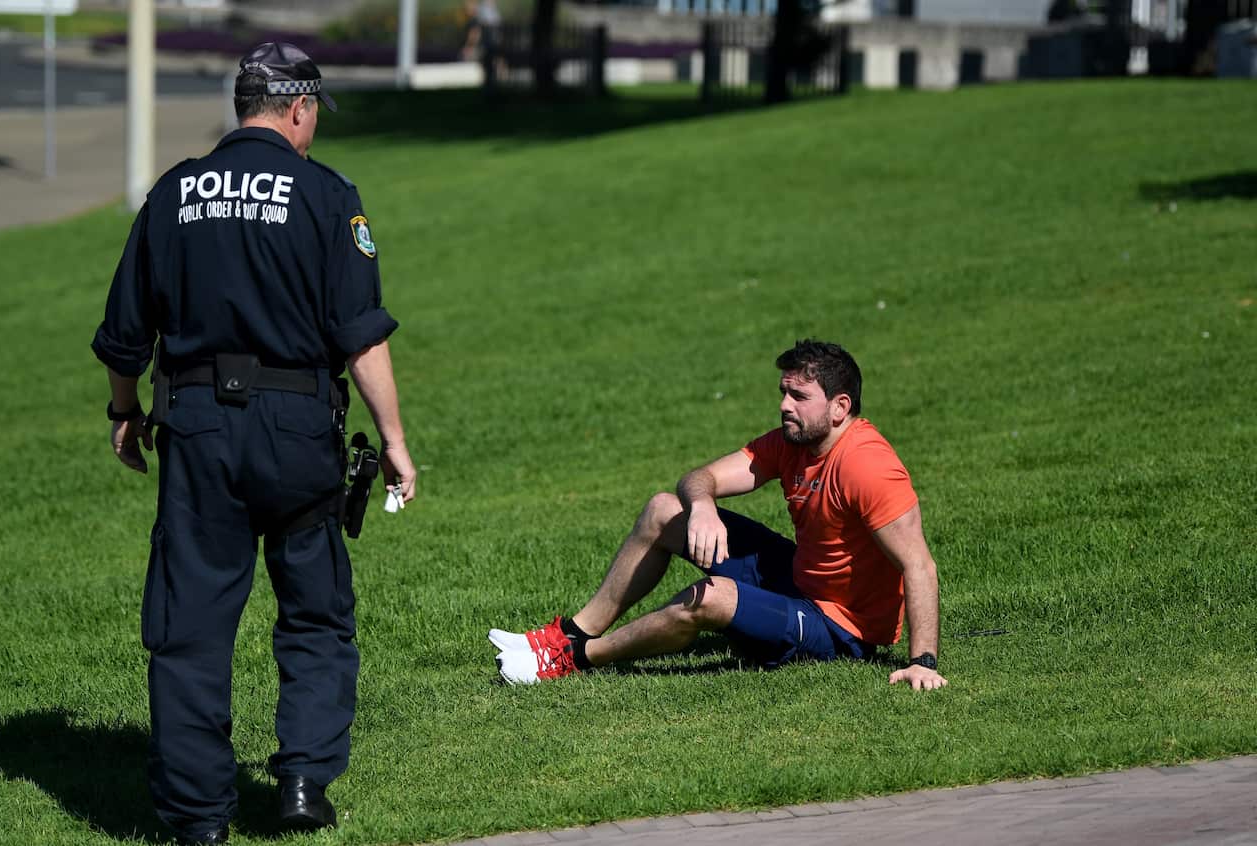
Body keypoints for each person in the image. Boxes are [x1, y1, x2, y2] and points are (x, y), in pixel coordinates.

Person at [91, 42, 418, 845]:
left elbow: (126, 335)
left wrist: (123, 414)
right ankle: (303, 780)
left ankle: (201, 819)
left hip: (197, 427)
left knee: (191, 622)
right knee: (312, 608)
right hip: (299, 429)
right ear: (298, 109)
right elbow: (361, 339)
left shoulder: (172, 194)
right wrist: (395, 441)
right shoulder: (325, 195)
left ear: (244, 105)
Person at [490, 340, 946, 692]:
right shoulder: (792, 443)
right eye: (783, 392)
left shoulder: (869, 466)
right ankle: (568, 634)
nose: (785, 405)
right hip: (799, 580)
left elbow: (919, 566)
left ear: (840, 407)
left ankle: (577, 658)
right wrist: (703, 505)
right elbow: (700, 477)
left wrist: (922, 662)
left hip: (842, 630)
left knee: (710, 598)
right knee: (664, 509)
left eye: (799, 396)